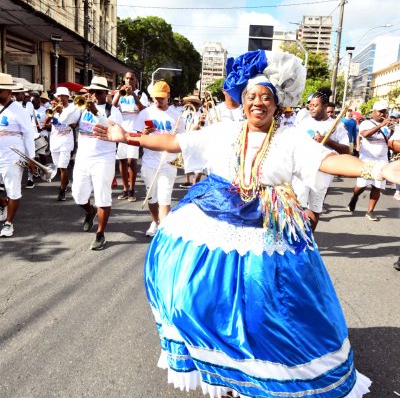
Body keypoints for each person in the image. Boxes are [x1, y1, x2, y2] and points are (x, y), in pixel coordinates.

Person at [93, 50, 400, 397]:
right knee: (195, 298)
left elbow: (329, 161)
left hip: (269, 228)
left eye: (266, 96)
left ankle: (261, 374)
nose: (258, 103)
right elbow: (174, 141)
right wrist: (129, 138)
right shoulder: (222, 133)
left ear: (277, 102)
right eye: (252, 96)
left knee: (265, 313)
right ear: (242, 100)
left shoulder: (291, 138)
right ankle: (221, 373)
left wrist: (378, 169)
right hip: (213, 217)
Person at [72, 76, 123, 250]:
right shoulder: (81, 107)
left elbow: (114, 130)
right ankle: (90, 211)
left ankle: (100, 234)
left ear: (105, 93)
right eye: (91, 91)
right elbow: (65, 120)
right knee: (78, 195)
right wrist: (74, 105)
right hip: (82, 157)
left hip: (104, 158)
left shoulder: (113, 111)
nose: (93, 94)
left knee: (102, 197)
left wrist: (96, 112)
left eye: (98, 92)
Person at [293, 87, 350, 231]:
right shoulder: (303, 123)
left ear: (325, 106)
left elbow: (346, 150)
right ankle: (296, 236)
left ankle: (310, 239)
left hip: (323, 174)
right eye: (310, 105)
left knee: (315, 207)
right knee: (297, 205)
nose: (311, 108)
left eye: (315, 105)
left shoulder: (337, 126)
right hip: (302, 171)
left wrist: (327, 141)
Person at [134, 80, 184, 237]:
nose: (158, 100)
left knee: (164, 197)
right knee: (152, 197)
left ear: (168, 96)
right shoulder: (145, 113)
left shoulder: (177, 116)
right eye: (155, 97)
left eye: (161, 97)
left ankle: (163, 230)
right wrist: (144, 132)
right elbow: (137, 137)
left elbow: (181, 140)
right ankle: (154, 221)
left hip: (168, 163)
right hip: (149, 162)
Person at [0, 73, 36, 237]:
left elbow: (28, 134)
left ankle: (9, 224)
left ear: (9, 92)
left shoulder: (19, 111)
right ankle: (4, 204)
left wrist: (31, 158)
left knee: (13, 191)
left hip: (13, 158)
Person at [347, 101, 391, 221]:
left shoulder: (387, 126)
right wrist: (381, 126)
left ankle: (370, 211)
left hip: (382, 159)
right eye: (379, 111)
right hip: (367, 159)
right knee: (361, 185)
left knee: (377, 186)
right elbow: (365, 134)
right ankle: (355, 197)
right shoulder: (366, 123)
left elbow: (390, 142)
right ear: (373, 112)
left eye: (384, 111)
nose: (382, 114)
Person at [113, 72, 147, 202]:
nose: (128, 81)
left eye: (131, 78)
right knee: (122, 160)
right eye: (126, 78)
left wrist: (133, 95)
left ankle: (132, 189)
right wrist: (118, 94)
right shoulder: (120, 93)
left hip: (134, 130)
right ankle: (125, 188)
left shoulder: (140, 94)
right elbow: (112, 107)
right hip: (122, 130)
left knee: (131, 160)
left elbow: (143, 109)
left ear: (135, 80)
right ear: (123, 80)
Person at [48, 86, 81, 201]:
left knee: (63, 167)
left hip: (66, 142)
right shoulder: (54, 108)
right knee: (58, 168)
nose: (60, 98)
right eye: (59, 96)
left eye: (62, 96)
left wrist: (61, 112)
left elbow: (72, 124)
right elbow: (47, 123)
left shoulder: (73, 108)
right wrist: (52, 113)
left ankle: (62, 191)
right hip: (54, 141)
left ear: (67, 97)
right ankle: (66, 182)